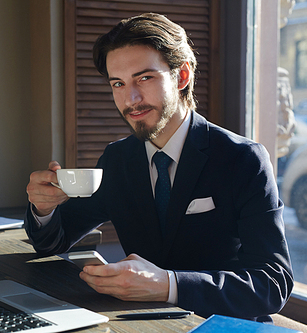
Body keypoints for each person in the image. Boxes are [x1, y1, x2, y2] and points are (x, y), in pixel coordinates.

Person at [24, 13, 293, 322]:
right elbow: (51, 242)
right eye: (118, 84)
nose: (131, 99)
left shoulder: (244, 159)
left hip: (222, 325)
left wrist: (167, 285)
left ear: (182, 76)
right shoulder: (118, 160)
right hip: (143, 323)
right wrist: (43, 210)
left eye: (145, 78)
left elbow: (272, 285)